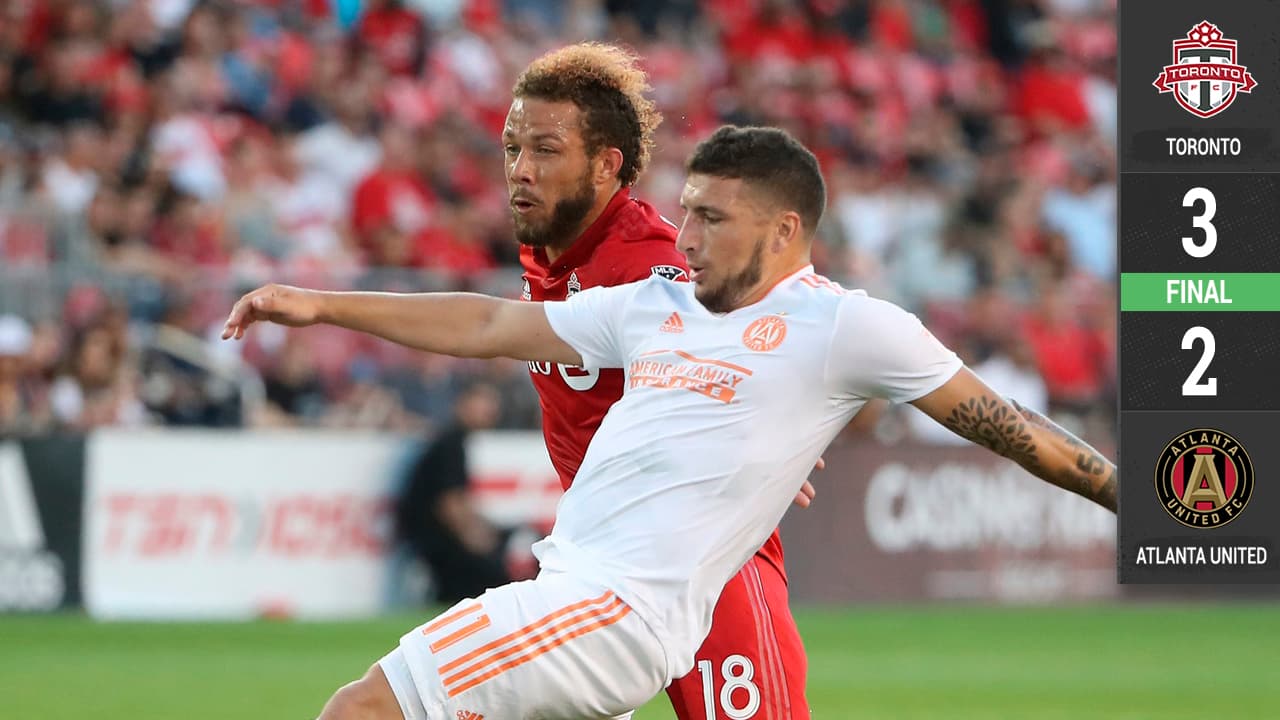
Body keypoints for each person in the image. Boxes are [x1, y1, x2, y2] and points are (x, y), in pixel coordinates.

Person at [222, 125, 1117, 720]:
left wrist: (1129, 495)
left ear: (783, 231)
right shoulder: (657, 304)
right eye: (686, 208)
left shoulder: (848, 327)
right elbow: (492, 324)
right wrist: (320, 305)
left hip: (616, 613)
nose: (684, 233)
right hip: (566, 590)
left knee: (361, 711)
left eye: (712, 217)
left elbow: (1008, 426)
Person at [504, 42, 812, 719]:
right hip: (596, 564)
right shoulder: (543, 250)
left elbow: (759, 324)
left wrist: (774, 416)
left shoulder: (652, 260)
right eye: (512, 149)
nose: (520, 171)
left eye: (545, 151)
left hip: (704, 555)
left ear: (606, 164)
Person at [395, 379, 525, 604]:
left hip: (434, 534)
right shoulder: (451, 443)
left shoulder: (455, 440)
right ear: (463, 404)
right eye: (483, 403)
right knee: (493, 575)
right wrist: (479, 542)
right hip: (436, 539)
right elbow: (450, 504)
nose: (490, 411)